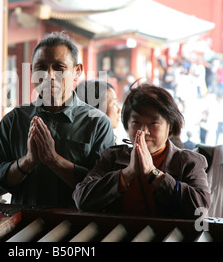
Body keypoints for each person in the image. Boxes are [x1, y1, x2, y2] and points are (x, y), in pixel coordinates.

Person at [0, 32, 114, 208]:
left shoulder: (97, 123)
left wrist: (54, 161)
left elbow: (103, 189)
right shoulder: (14, 120)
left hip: (77, 229)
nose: (49, 76)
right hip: (22, 225)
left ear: (77, 71)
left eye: (59, 67)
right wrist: (27, 162)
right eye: (41, 67)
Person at [73, 82, 211, 219]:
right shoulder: (113, 157)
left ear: (170, 126)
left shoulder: (189, 162)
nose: (143, 131)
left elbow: (201, 209)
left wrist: (154, 174)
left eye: (153, 123)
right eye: (136, 123)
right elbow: (82, 199)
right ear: (127, 126)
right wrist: (127, 173)